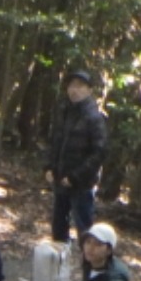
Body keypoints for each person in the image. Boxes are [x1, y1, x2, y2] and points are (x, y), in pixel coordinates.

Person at [45, 69, 108, 242]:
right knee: (58, 228)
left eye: (80, 86)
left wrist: (75, 176)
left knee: (85, 232)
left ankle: (89, 268)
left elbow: (99, 152)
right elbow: (55, 142)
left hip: (82, 185)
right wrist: (49, 167)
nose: (75, 90)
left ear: (89, 90)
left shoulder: (94, 117)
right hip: (61, 181)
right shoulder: (64, 112)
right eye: (72, 86)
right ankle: (59, 266)